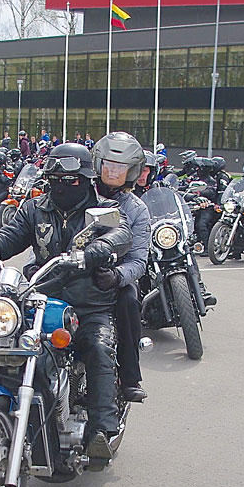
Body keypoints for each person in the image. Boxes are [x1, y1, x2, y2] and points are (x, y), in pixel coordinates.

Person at [0, 142, 133, 460]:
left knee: (98, 347)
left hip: (90, 304)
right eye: (54, 179)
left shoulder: (103, 208)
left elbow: (120, 232)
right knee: (5, 344)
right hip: (42, 299)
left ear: (86, 179)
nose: (61, 186)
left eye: (70, 180)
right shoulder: (35, 208)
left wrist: (99, 249)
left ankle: (102, 430)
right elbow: (10, 235)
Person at [92, 132, 151, 403]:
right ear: (98, 163)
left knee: (129, 300)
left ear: (132, 171)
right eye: (109, 165)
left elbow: (138, 261)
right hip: (74, 272)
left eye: (121, 167)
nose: (114, 172)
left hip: (115, 278)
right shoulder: (81, 195)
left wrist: (116, 276)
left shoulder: (137, 209)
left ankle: (130, 377)